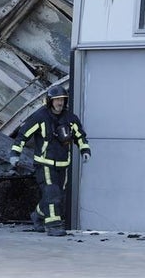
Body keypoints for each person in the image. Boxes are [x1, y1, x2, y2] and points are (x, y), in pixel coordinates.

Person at [9, 83, 91, 236]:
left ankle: (37, 216)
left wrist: (85, 150)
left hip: (63, 165)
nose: (60, 103)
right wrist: (15, 155)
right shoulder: (40, 117)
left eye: (62, 99)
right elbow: (23, 136)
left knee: (56, 195)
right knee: (52, 193)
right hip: (44, 164)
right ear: (50, 101)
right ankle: (53, 226)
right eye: (57, 99)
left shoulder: (70, 119)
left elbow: (80, 136)